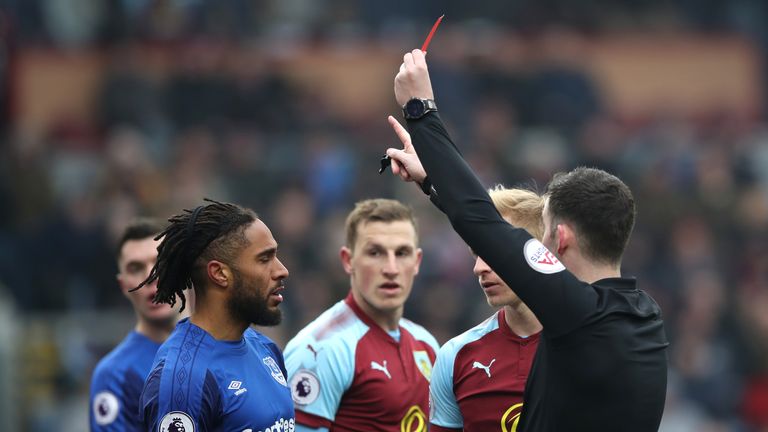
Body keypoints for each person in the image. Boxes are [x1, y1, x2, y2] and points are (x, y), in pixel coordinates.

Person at [385, 49, 668, 432]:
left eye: (545, 229)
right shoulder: (645, 315)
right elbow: (488, 227)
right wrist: (434, 184)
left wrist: (421, 109)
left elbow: (483, 222)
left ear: (561, 238)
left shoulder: (578, 314)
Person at [135, 199, 294, 431]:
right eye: (264, 259)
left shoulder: (265, 348)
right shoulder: (183, 380)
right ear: (219, 273)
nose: (282, 270)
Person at [283, 198, 439, 432]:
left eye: (402, 253)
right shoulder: (319, 349)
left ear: (417, 262)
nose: (391, 269)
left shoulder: (427, 345)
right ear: (348, 261)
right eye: (375, 252)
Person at [430, 187, 543, 432]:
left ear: (539, 252)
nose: (479, 268)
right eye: (476, 253)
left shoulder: (585, 345)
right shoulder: (455, 355)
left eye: (493, 251)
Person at [90, 218, 184, 431]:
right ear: (124, 286)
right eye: (135, 268)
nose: (150, 276)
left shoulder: (221, 348)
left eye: (160, 262)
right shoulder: (114, 375)